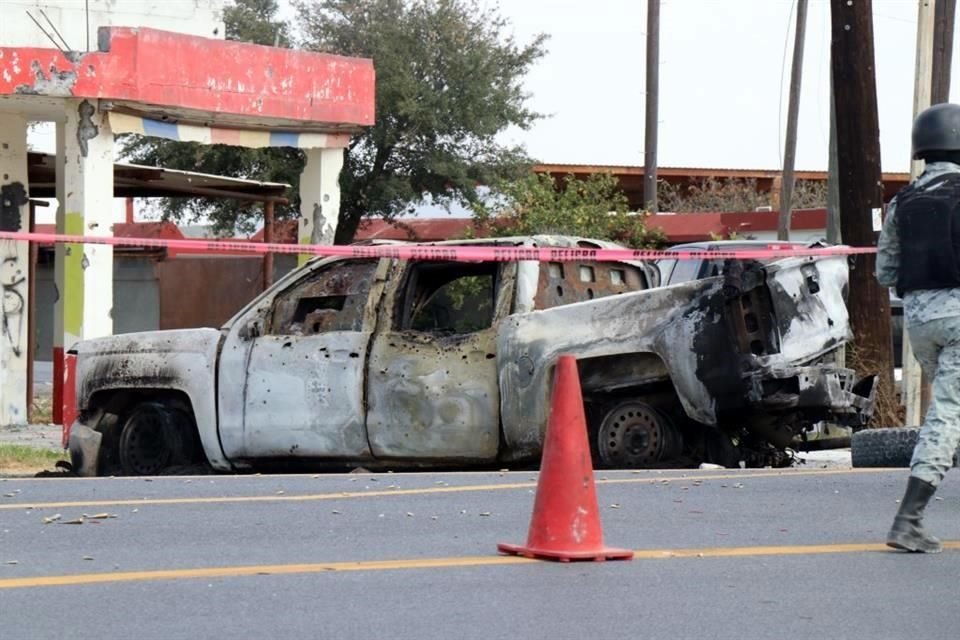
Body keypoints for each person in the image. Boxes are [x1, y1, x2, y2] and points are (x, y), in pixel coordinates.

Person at [876, 102, 960, 553]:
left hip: (920, 322)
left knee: (952, 411)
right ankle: (908, 520)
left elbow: (884, 272)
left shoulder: (902, 202)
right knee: (948, 412)